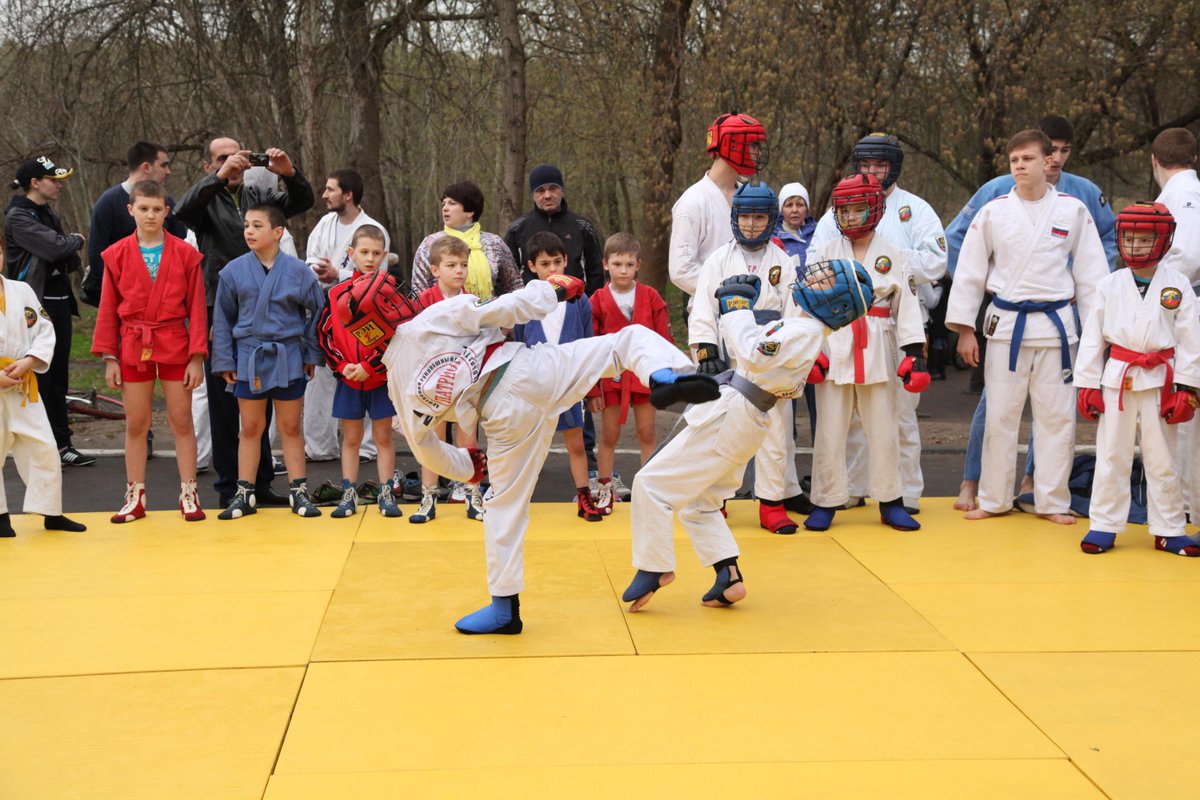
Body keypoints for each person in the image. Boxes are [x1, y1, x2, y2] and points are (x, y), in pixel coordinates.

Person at [335, 268, 721, 635]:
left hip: (501, 418)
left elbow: (424, 448)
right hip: (527, 370)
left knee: (503, 506)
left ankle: (504, 609)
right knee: (626, 342)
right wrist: (553, 290)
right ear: (391, 306)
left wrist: (465, 466)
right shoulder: (433, 315)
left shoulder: (398, 385)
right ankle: (670, 374)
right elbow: (506, 307)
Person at [622, 261, 872, 612]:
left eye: (824, 280)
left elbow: (754, 355)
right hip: (746, 414)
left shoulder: (804, 331)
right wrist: (737, 313)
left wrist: (737, 309)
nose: (814, 278)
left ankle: (655, 565)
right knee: (702, 501)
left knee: (650, 484)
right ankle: (728, 576)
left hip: (734, 412)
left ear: (834, 302)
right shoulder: (806, 331)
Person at [947, 115, 1118, 511]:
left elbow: (1092, 276)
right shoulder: (994, 211)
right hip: (1006, 326)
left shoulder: (1074, 210)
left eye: (1027, 158)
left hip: (1058, 329)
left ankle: (1052, 501)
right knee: (1000, 418)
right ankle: (992, 499)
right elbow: (970, 273)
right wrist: (965, 330)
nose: (1019, 165)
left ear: (1048, 163)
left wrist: (1098, 337)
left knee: (1058, 420)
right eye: (1013, 160)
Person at [807, 133, 947, 513]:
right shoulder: (837, 214)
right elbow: (812, 268)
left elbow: (935, 262)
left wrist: (885, 264)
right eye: (865, 165)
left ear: (893, 166)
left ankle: (904, 494)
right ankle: (847, 489)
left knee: (896, 418)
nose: (872, 172)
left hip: (894, 325)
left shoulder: (913, 209)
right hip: (840, 330)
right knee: (843, 422)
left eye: (879, 165)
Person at [174, 139, 314, 508]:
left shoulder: (258, 195)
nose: (233, 163)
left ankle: (261, 484)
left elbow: (300, 204)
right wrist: (219, 179)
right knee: (226, 404)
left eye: (237, 156)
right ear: (210, 165)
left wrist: (289, 174)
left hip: (270, 312)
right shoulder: (206, 200)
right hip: (220, 304)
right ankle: (229, 487)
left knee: (266, 409)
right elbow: (182, 211)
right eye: (222, 159)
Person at [1074, 202, 1200, 557]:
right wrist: (1087, 384)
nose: (1135, 246)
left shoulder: (1178, 286)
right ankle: (1103, 525)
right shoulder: (1109, 285)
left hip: (1162, 380)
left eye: (1144, 239)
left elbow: (1191, 340)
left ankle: (1169, 528)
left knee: (1163, 458)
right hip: (1119, 379)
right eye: (1129, 238)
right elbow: (1092, 338)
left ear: (1162, 241)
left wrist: (1189, 390)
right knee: (1112, 453)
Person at [689, 180, 807, 534]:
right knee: (725, 432)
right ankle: (716, 501)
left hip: (773, 358)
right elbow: (703, 310)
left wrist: (792, 356)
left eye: (759, 217)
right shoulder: (718, 260)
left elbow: (794, 313)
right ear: (735, 218)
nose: (752, 225)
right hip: (731, 355)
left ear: (770, 219)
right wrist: (707, 350)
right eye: (746, 217)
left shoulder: (783, 261)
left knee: (776, 433)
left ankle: (771, 505)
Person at [90, 181, 208, 522]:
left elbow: (197, 308)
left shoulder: (186, 254)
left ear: (167, 211)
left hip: (174, 342)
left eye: (157, 209)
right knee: (136, 423)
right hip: (132, 343)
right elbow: (108, 307)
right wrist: (110, 357)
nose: (150, 215)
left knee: (182, 420)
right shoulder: (116, 254)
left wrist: (197, 356)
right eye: (143, 208)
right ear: (131, 210)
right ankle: (135, 495)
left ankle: (188, 492)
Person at [211, 203, 325, 519]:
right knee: (250, 427)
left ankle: (299, 492)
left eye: (257, 225)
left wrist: (310, 353)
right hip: (249, 357)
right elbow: (222, 320)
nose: (249, 231)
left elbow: (317, 312)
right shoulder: (232, 271)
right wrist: (224, 360)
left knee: (290, 426)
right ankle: (244, 493)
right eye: (246, 225)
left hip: (288, 356)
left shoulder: (300, 272)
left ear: (278, 233)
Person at [4, 157, 91, 468]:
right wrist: (75, 240)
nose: (59, 184)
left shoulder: (48, 213)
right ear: (34, 183)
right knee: (37, 377)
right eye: (53, 179)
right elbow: (57, 248)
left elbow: (66, 258)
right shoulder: (18, 216)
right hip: (31, 305)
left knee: (57, 379)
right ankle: (35, 447)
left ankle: (61, 444)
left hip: (57, 300)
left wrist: (69, 246)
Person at [511, 232, 601, 521]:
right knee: (525, 445)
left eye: (557, 262)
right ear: (531, 266)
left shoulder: (579, 301)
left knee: (576, 443)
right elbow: (517, 347)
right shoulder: (523, 302)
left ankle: (584, 497)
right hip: (535, 387)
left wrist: (592, 390)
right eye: (545, 263)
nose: (552, 269)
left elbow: (589, 347)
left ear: (566, 262)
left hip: (568, 385)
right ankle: (515, 500)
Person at [303, 168, 390, 464]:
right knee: (323, 376)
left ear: (348, 194)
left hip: (365, 315)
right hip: (326, 306)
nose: (325, 195)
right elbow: (311, 257)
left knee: (367, 375)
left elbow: (380, 277)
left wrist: (338, 273)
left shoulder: (373, 228)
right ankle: (319, 446)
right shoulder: (325, 223)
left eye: (331, 189)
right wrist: (321, 270)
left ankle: (366, 448)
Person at [0, 243, 87, 536]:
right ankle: (0, 518)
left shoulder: (21, 290)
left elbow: (44, 329)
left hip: (23, 384)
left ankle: (52, 512)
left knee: (45, 447)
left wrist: (27, 361)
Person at [317, 224, 402, 519]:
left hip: (379, 380)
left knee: (383, 438)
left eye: (376, 253)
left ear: (385, 256)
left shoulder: (390, 294)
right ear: (351, 253)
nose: (369, 258)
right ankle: (348, 493)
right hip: (349, 379)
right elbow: (325, 334)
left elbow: (398, 339)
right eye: (364, 252)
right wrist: (343, 367)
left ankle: (386, 492)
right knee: (350, 439)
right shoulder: (337, 292)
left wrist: (370, 366)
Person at [588, 232, 673, 513]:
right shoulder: (598, 300)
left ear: (638, 264)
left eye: (628, 264)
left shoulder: (650, 297)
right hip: (611, 380)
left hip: (645, 376)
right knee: (609, 434)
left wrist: (666, 378)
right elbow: (589, 349)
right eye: (617, 264)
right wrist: (592, 391)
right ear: (605, 265)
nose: (622, 270)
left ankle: (649, 489)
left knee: (647, 432)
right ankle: (604, 488)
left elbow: (664, 340)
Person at [408, 236, 485, 523]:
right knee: (432, 439)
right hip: (432, 384)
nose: (459, 271)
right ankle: (429, 497)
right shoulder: (423, 301)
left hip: (466, 382)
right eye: (451, 265)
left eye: (463, 265)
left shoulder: (473, 302)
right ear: (435, 269)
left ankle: (472, 494)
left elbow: (481, 340)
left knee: (468, 437)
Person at [669, 112, 767, 305]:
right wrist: (731, 290)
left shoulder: (749, 197)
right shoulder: (693, 202)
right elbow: (681, 270)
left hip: (756, 313)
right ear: (732, 145)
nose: (759, 153)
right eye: (754, 145)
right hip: (711, 316)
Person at [81, 140, 186, 307]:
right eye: (164, 165)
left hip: (164, 299)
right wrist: (114, 297)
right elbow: (97, 254)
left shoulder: (167, 201)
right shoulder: (108, 203)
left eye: (157, 210)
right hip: (123, 300)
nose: (168, 172)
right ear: (146, 167)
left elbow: (181, 243)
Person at [411, 181, 523, 299]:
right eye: (444, 204)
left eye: (452, 203)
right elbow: (418, 290)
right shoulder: (430, 243)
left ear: (470, 211)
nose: (445, 208)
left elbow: (515, 286)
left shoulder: (494, 243)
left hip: (487, 313)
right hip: (443, 313)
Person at [505, 165, 604, 295]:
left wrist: (589, 305)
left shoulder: (583, 227)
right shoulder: (516, 229)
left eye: (553, 188)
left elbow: (596, 273)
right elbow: (506, 275)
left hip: (573, 302)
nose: (547, 195)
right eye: (540, 190)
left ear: (562, 190)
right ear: (533, 195)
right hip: (532, 306)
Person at [1152, 128, 1200, 284]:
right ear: (1194, 159)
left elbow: (1188, 258)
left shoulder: (1184, 193)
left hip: (1183, 296)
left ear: (1154, 160)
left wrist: (1156, 291)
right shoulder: (1183, 190)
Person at [772, 182, 816, 269]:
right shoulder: (772, 238)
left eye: (800, 205)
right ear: (782, 209)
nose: (795, 210)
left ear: (806, 208)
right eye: (789, 205)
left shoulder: (818, 233)